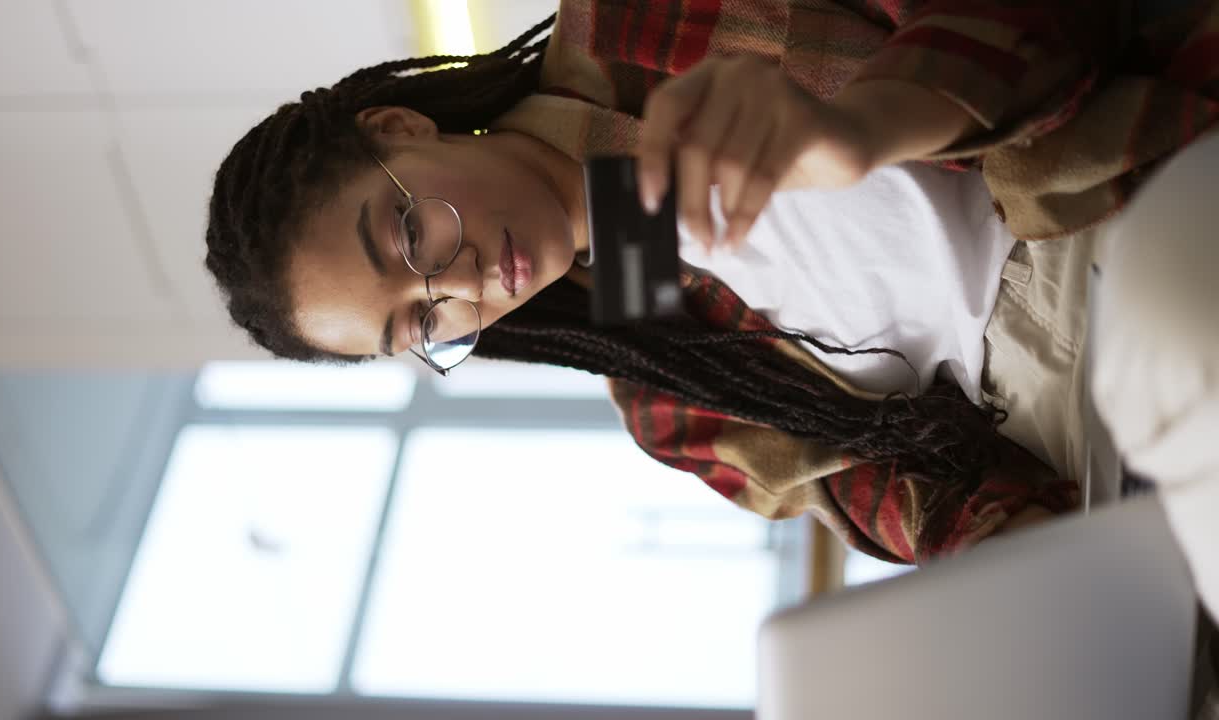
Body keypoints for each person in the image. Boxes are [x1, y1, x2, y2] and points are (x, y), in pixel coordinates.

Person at [204, 0, 1218, 568]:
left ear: (400, 130)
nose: (457, 286)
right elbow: (931, 507)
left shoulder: (636, 22)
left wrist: (859, 125)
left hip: (1118, 203)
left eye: (408, 232)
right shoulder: (664, 385)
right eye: (419, 321)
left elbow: (1039, 22)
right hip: (1084, 439)